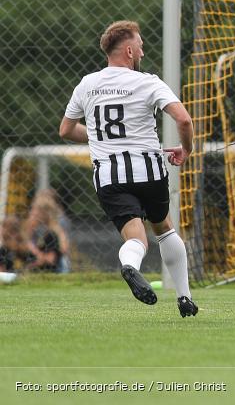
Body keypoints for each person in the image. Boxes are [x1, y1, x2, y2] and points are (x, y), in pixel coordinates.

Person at [59, 20, 198, 317]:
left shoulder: (87, 84)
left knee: (136, 239)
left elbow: (66, 130)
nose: (143, 54)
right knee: (163, 228)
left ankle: (129, 266)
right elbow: (184, 120)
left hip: (109, 175)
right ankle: (185, 298)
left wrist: (98, 137)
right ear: (131, 50)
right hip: (148, 169)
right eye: (142, 48)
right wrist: (186, 150)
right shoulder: (148, 82)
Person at [25, 190, 70, 272]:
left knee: (62, 260)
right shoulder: (34, 222)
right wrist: (30, 227)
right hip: (38, 256)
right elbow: (26, 241)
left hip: (56, 260)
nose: (33, 212)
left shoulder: (59, 221)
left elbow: (64, 248)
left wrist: (54, 227)